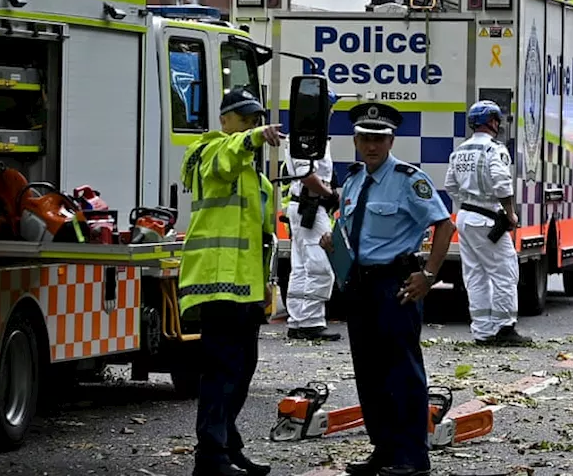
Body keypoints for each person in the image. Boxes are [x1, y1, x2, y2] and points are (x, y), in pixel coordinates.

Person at [318, 102, 456, 476]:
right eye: (365, 138)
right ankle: (384, 449)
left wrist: (428, 275)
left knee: (402, 372)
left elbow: (444, 226)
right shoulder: (353, 180)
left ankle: (412, 456)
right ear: (356, 140)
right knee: (369, 372)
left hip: (395, 285)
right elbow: (350, 228)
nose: (372, 145)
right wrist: (335, 244)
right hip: (359, 285)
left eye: (379, 138)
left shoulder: (410, 180)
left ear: (392, 139)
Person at [178, 86, 282, 476]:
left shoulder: (251, 173)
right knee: (222, 371)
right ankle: (210, 457)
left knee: (242, 370)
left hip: (246, 286)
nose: (252, 124)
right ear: (224, 120)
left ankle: (228, 444)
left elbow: (262, 224)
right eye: (244, 118)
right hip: (217, 282)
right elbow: (224, 160)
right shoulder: (207, 151)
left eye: (255, 119)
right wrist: (254, 137)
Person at [444, 100, 531, 346]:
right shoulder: (495, 149)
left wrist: (468, 200)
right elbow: (502, 184)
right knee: (505, 272)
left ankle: (482, 331)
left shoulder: (459, 151)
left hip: (465, 218)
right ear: (492, 121)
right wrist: (511, 214)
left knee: (475, 275)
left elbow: (450, 185)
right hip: (488, 219)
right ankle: (505, 328)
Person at [283, 90, 342, 342]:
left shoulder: (308, 134)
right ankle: (311, 322)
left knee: (301, 267)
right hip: (309, 206)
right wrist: (330, 194)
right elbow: (307, 175)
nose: (331, 113)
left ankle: (297, 321)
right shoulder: (307, 135)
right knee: (321, 267)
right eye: (329, 108)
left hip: (305, 207)